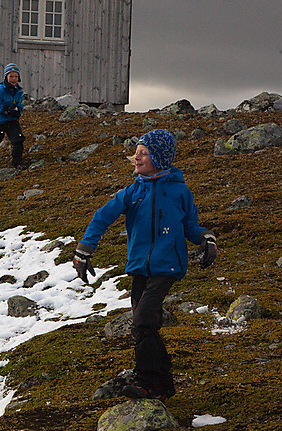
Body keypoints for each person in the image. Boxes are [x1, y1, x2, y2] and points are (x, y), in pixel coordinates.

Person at [73, 129, 217, 401]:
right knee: (143, 326)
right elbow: (102, 217)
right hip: (139, 267)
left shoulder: (179, 191)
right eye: (136, 153)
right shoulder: (132, 192)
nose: (136, 158)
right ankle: (164, 383)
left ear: (160, 158)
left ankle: (146, 382)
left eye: (143, 153)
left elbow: (191, 226)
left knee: (143, 319)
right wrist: (84, 250)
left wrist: (206, 238)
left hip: (168, 266)